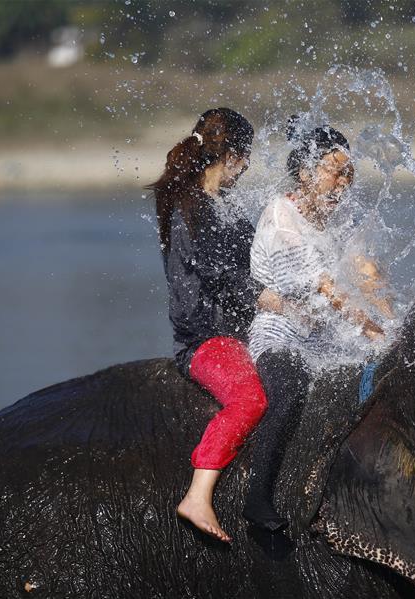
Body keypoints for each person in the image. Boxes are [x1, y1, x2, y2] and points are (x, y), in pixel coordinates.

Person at [243, 122, 394, 532]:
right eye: (335, 172)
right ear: (307, 173)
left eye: (349, 174)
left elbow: (367, 275)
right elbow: (328, 291)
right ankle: (257, 497)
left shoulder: (341, 219)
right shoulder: (281, 216)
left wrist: (395, 320)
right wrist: (373, 332)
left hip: (324, 335)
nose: (344, 184)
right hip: (280, 333)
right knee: (290, 389)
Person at [147, 108, 268, 543]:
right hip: (204, 339)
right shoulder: (190, 206)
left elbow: (258, 262)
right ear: (231, 155)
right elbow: (217, 272)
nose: (249, 165)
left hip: (239, 332)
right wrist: (263, 297)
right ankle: (197, 495)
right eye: (247, 155)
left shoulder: (226, 206)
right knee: (249, 400)